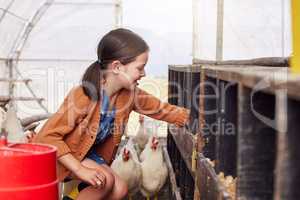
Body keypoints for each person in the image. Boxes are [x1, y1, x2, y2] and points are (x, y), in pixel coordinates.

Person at [32, 28, 189, 200]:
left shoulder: (129, 95)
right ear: (117, 67)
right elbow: (47, 137)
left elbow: (161, 110)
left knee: (120, 189)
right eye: (140, 68)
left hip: (87, 156)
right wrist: (80, 170)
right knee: (103, 181)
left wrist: (193, 118)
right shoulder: (83, 95)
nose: (144, 73)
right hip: (64, 156)